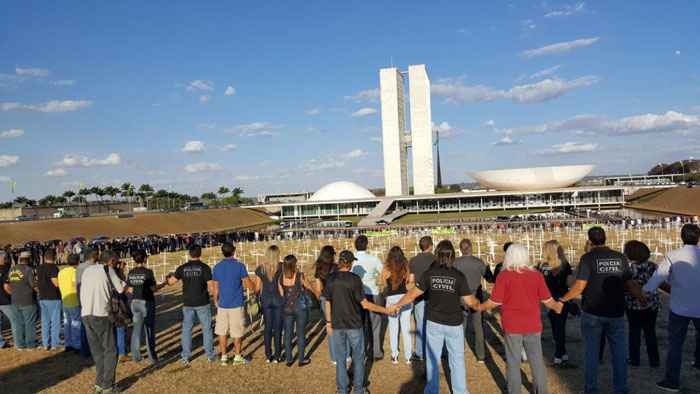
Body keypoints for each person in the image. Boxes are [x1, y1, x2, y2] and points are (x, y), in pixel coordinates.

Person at [559, 226, 645, 394]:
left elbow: (579, 286)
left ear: (589, 241)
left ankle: (591, 390)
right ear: (606, 238)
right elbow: (630, 283)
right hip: (617, 313)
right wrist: (641, 298)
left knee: (591, 354)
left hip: (593, 313)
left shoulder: (588, 258)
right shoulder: (619, 257)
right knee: (619, 354)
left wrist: (563, 299)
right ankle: (621, 389)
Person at [389, 240, 481, 394]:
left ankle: (432, 390)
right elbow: (470, 301)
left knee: (433, 360)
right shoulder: (458, 276)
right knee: (457, 360)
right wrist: (480, 305)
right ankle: (460, 391)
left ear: (437, 255)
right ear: (452, 256)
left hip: (434, 323)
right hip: (454, 324)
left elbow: (412, 294)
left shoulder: (429, 274)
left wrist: (397, 304)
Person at [479, 243, 564, 394]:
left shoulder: (504, 275)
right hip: (532, 325)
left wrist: (480, 306)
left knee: (513, 362)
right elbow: (547, 300)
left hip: (512, 326)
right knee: (537, 361)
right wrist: (558, 306)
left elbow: (495, 301)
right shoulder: (536, 275)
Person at [643, 224, 700, 392]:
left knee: (675, 345)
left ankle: (672, 381)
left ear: (682, 237)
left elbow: (658, 278)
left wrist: (645, 292)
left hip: (679, 308)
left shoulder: (672, 255)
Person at [323, 250, 389, 394]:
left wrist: (328, 322)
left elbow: (327, 302)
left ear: (340, 262)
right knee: (358, 358)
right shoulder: (355, 279)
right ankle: (359, 389)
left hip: (337, 324)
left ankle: (342, 389)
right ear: (351, 263)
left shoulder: (331, 279)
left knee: (341, 359)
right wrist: (385, 310)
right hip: (354, 324)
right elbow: (365, 304)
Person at [80, 250, 126, 393]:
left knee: (97, 351)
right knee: (111, 351)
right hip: (101, 314)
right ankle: (108, 386)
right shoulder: (109, 269)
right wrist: (121, 272)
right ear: (111, 261)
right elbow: (120, 289)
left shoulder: (87, 270)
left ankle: (99, 384)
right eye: (116, 262)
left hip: (86, 314)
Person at [167, 245, 216, 365]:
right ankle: (209, 354)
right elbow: (211, 285)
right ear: (200, 254)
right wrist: (214, 297)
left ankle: (185, 356)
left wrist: (167, 279)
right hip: (202, 302)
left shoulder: (182, 268)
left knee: (187, 329)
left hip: (188, 303)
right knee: (207, 328)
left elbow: (171, 282)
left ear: (189, 254)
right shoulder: (205, 268)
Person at [212, 242, 254, 366]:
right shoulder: (239, 266)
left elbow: (215, 287)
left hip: (222, 304)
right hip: (236, 303)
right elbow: (247, 284)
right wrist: (254, 287)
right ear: (234, 251)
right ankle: (237, 356)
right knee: (237, 331)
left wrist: (215, 300)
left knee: (222, 331)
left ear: (222, 252)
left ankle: (224, 357)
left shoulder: (217, 267)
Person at [622, 240, 660, 368]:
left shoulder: (627, 269)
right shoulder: (653, 266)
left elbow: (626, 286)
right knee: (650, 332)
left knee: (634, 332)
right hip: (651, 304)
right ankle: (654, 361)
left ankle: (634, 360)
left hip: (633, 305)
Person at [538, 240, 573, 366]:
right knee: (560, 326)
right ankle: (561, 352)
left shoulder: (542, 266)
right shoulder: (565, 265)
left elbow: (540, 283)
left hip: (548, 299)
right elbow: (569, 283)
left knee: (555, 326)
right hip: (563, 298)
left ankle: (560, 353)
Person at [351, 235, 385, 361]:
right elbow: (383, 272)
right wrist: (378, 280)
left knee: (359, 325)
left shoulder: (352, 260)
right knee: (375, 325)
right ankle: (376, 352)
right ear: (366, 245)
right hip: (373, 292)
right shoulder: (373, 259)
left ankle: (362, 351)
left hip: (356, 295)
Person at [127, 249, 164, 364]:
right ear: (144, 258)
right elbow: (153, 288)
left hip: (134, 302)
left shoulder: (131, 272)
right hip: (146, 302)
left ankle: (136, 356)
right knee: (149, 330)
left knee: (136, 330)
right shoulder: (148, 272)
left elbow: (129, 289)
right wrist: (164, 283)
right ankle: (152, 357)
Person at [453, 238, 487, 363]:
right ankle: (481, 356)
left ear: (461, 249)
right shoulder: (478, 262)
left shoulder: (455, 263)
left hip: (460, 298)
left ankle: (459, 353)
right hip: (476, 298)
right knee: (478, 327)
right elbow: (488, 277)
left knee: (461, 327)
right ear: (471, 247)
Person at [278, 254, 315, 367]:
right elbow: (309, 287)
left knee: (288, 334)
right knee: (300, 333)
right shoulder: (299, 275)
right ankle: (301, 359)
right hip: (300, 308)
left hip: (287, 308)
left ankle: (289, 359)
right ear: (294, 264)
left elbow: (281, 294)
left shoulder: (280, 277)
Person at [381, 246, 412, 365]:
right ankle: (408, 356)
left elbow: (383, 283)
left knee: (393, 329)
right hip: (404, 298)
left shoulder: (387, 267)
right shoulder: (405, 266)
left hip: (391, 299)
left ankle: (394, 355)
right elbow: (408, 281)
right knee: (406, 328)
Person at [313, 245, 343, 365]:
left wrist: (320, 299)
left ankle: (334, 357)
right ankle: (343, 353)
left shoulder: (319, 269)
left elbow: (318, 289)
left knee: (329, 326)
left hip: (325, 299)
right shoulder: (337, 268)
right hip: (337, 298)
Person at [254, 245, 284, 363]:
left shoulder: (260, 268)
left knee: (267, 328)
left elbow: (257, 288)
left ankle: (268, 355)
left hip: (266, 300)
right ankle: (277, 355)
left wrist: (254, 296)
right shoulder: (281, 267)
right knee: (278, 328)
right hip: (279, 300)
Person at [407, 235, 434, 361]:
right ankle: (436, 351)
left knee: (420, 325)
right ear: (430, 246)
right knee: (436, 324)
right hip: (434, 296)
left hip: (419, 296)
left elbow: (411, 280)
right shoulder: (436, 259)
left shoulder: (413, 260)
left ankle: (419, 352)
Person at [5, 251, 37, 350]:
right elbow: (33, 285)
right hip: (27, 300)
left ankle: (19, 345)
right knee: (29, 323)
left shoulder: (11, 270)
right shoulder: (29, 270)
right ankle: (30, 345)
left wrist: (13, 294)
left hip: (14, 300)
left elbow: (7, 285)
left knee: (18, 323)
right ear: (29, 259)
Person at [37, 249, 62, 350]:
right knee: (55, 322)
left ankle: (45, 343)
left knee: (45, 321)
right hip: (53, 297)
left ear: (45, 257)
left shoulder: (40, 268)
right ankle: (55, 344)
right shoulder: (53, 268)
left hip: (42, 297)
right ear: (54, 257)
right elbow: (55, 283)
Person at [76, 248, 99, 359]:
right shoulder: (94, 267)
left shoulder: (80, 267)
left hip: (81, 298)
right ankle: (94, 350)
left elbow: (78, 284)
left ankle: (85, 350)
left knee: (84, 325)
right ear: (93, 257)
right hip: (92, 299)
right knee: (95, 325)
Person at [58, 253, 81, 352]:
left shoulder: (61, 272)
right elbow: (76, 285)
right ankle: (77, 345)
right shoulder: (75, 272)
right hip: (74, 301)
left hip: (65, 300)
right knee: (76, 323)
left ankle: (68, 344)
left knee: (67, 323)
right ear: (78, 261)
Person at [0, 250, 18, 349]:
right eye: (5, 257)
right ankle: (18, 340)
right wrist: (14, 294)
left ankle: (0, 343)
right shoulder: (7, 270)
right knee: (14, 320)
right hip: (6, 300)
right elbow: (7, 287)